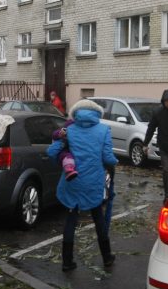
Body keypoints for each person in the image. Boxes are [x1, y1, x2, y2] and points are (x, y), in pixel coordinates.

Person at [47, 99, 118, 272]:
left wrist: (64, 158)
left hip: (73, 181)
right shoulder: (103, 130)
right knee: (98, 217)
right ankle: (107, 257)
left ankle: (67, 261)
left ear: (76, 114)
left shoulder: (69, 130)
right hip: (93, 183)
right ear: (97, 114)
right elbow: (108, 158)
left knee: (71, 219)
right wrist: (113, 163)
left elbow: (51, 152)